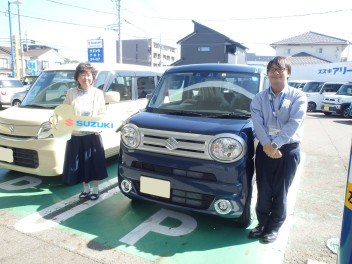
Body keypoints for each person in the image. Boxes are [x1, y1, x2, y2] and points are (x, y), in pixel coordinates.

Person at [249, 56, 307, 243]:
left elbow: (294, 124)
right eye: (272, 69)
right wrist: (267, 145)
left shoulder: (298, 96)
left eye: (280, 68)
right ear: (267, 74)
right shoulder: (259, 98)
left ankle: (273, 227)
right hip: (265, 149)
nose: (275, 72)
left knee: (280, 191)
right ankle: (262, 223)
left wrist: (275, 145)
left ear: (288, 73)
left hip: (287, 150)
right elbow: (257, 123)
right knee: (263, 188)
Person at [62, 62, 108, 200]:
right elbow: (65, 113)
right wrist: (65, 122)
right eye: (82, 75)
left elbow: (103, 113)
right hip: (77, 135)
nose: (85, 78)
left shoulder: (98, 93)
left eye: (88, 75)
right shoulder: (71, 93)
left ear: (93, 77)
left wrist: (99, 126)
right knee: (81, 163)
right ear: (77, 77)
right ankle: (86, 189)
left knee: (93, 163)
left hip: (93, 135)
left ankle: (95, 189)